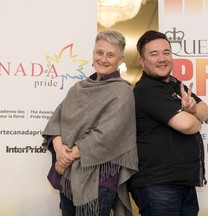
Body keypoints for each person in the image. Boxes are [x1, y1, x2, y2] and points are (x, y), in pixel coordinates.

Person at [42, 30, 138, 216]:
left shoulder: (123, 92)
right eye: (99, 52)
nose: (103, 59)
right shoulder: (78, 88)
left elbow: (107, 136)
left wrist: (67, 157)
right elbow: (56, 122)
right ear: (93, 53)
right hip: (68, 177)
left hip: (98, 181)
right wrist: (60, 150)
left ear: (121, 59)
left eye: (110, 55)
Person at [128, 30, 208, 216]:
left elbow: (205, 110)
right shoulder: (147, 89)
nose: (162, 58)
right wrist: (195, 117)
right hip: (158, 185)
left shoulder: (174, 84)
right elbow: (187, 125)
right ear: (142, 61)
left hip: (182, 183)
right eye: (154, 54)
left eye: (166, 52)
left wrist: (194, 111)